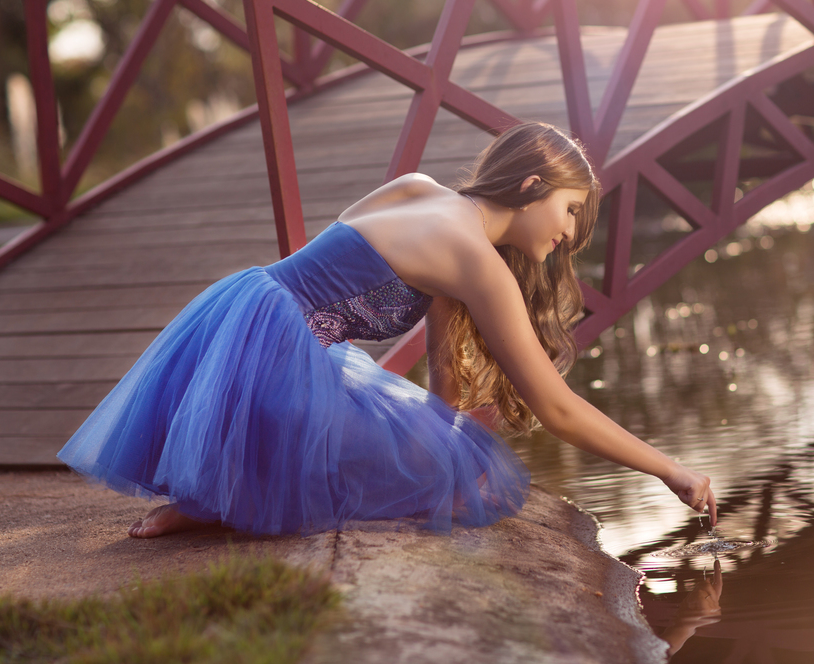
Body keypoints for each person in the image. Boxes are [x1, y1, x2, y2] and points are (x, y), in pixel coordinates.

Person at [58, 122, 717, 538]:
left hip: (238, 318)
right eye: (570, 210)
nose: (570, 234)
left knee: (432, 460)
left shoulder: (418, 189)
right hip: (275, 359)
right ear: (532, 183)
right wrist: (670, 470)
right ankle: (212, 501)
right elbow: (557, 407)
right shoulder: (477, 263)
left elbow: (441, 363)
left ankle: (206, 495)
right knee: (424, 477)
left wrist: (443, 458)